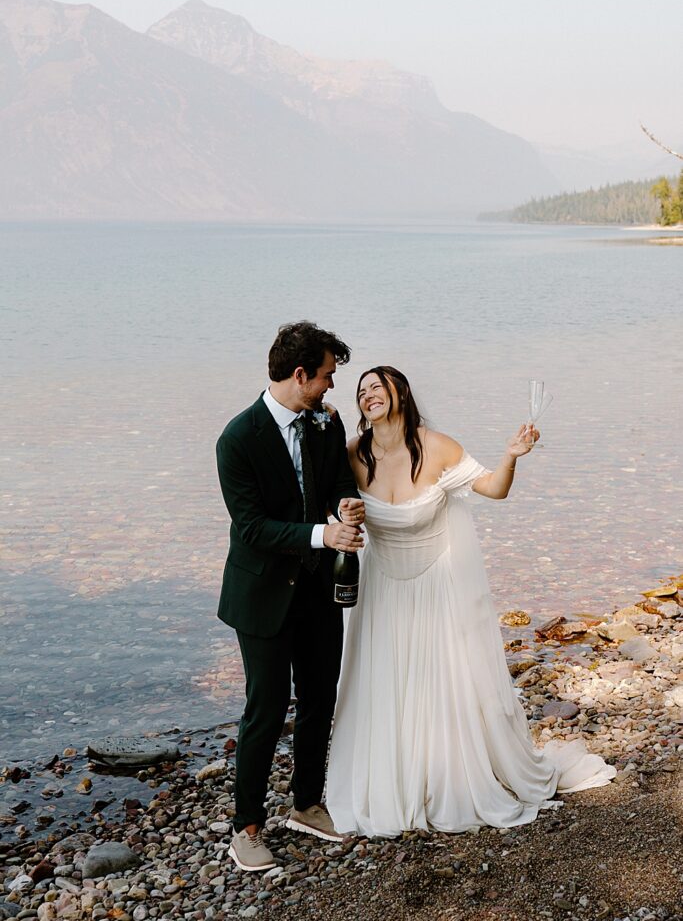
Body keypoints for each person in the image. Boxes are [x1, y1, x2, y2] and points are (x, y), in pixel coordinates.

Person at [326, 366, 615, 837]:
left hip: (437, 584)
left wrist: (512, 455)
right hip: (382, 589)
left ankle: (448, 777)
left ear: (400, 393)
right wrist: (342, 513)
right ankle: (393, 781)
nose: (368, 395)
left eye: (378, 386)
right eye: (361, 392)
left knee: (445, 684)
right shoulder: (353, 454)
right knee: (385, 683)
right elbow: (332, 505)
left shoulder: (438, 446)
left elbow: (494, 490)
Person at [216, 322, 365, 871]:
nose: (331, 387)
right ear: (299, 375)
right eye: (326, 376)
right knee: (266, 707)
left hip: (321, 589)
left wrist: (347, 507)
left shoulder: (326, 422)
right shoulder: (238, 438)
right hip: (262, 597)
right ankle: (246, 828)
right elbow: (252, 526)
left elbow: (336, 484)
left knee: (319, 698)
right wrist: (320, 534)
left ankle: (306, 804)